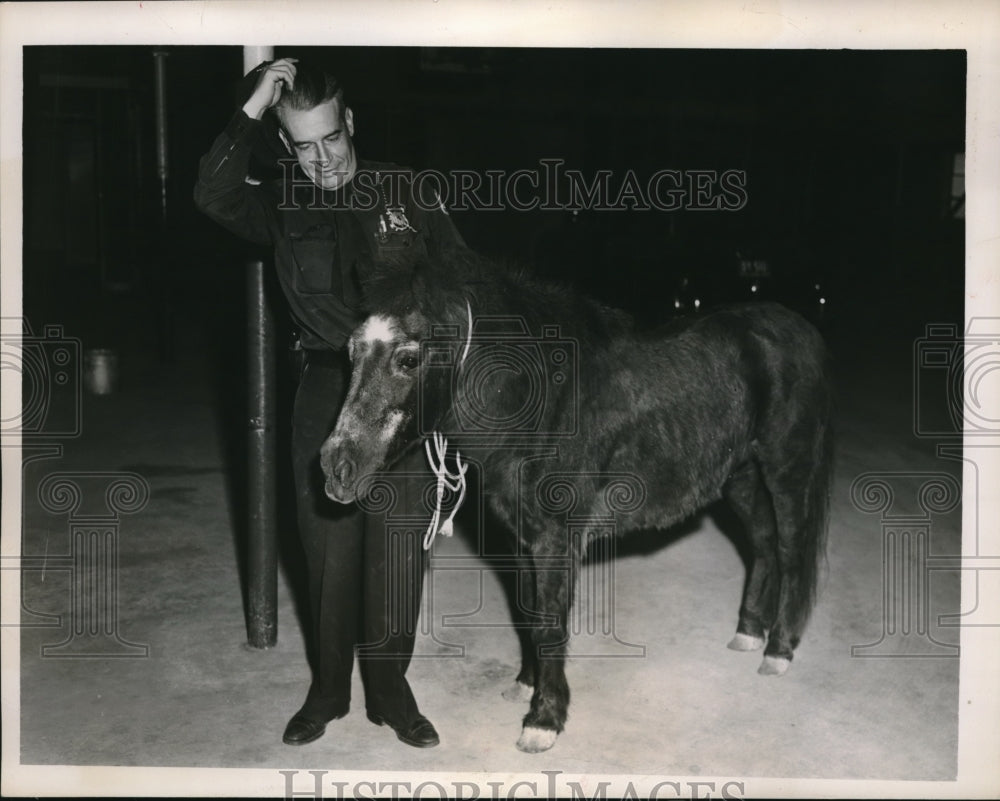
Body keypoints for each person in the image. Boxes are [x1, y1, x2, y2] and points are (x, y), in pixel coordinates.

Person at [194, 57, 466, 749]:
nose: (321, 159)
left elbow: (465, 288)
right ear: (287, 146)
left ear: (351, 124)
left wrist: (449, 397)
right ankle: (327, 690)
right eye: (304, 146)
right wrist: (253, 106)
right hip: (324, 384)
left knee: (398, 544)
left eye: (331, 140)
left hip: (402, 393)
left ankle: (391, 691)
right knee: (328, 548)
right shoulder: (280, 200)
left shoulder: (408, 192)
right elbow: (212, 192)